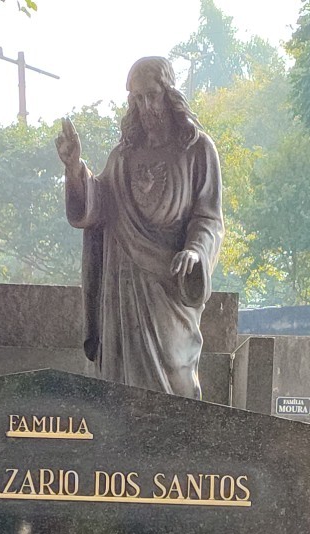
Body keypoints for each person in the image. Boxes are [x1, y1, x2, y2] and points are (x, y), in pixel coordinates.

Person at [56, 57, 225, 398]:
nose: (146, 107)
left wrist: (195, 251)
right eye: (137, 98)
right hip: (124, 288)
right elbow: (97, 207)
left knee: (177, 376)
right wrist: (74, 169)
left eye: (151, 95)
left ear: (169, 93)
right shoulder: (123, 157)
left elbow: (208, 217)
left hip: (171, 284)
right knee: (124, 388)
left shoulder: (197, 150)